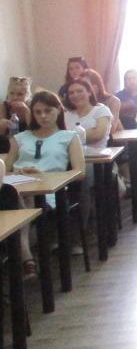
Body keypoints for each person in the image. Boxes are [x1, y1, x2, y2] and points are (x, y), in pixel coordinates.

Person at [3, 90, 86, 276]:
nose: (43, 116)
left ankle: (26, 258)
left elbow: (80, 172)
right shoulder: (20, 138)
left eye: (48, 111)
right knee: (16, 198)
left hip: (49, 190)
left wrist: (43, 175)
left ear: (58, 110)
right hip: (17, 185)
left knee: (25, 200)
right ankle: (27, 257)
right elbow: (5, 169)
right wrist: (18, 172)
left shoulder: (69, 136)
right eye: (38, 112)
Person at [63, 78, 113, 147]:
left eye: (79, 91)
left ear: (89, 92)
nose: (75, 95)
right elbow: (57, 136)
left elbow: (97, 135)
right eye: (71, 93)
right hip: (69, 153)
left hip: (96, 153)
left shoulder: (101, 110)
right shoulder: (66, 114)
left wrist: (67, 136)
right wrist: (88, 132)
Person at [83, 69, 122, 134]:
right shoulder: (82, 102)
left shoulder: (113, 101)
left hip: (113, 136)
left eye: (86, 86)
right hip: (90, 136)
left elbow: (111, 128)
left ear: (96, 86)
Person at [1, 75, 31, 141]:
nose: (15, 97)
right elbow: (1, 134)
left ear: (27, 95)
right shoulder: (3, 106)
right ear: (8, 93)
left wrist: (26, 111)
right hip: (8, 141)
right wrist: (3, 124)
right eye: (12, 93)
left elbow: (35, 131)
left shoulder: (31, 106)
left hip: (27, 141)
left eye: (20, 94)